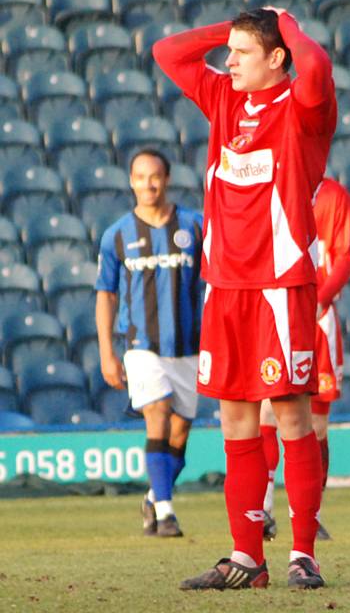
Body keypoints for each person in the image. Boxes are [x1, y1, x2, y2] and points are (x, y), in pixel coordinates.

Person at [153, 7, 336, 589]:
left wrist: (288, 26)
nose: (226, 61)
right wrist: (233, 33)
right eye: (227, 51)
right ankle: (246, 558)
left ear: (277, 58)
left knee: (289, 414)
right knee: (234, 420)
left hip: (281, 287)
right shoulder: (225, 98)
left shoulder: (304, 109)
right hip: (225, 288)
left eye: (241, 52)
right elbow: (167, 52)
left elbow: (318, 64)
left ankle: (301, 555)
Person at [95, 148, 204, 538]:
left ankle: (154, 496)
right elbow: (105, 294)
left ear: (167, 178)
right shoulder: (117, 235)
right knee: (156, 412)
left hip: (190, 347)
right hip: (141, 345)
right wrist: (108, 352)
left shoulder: (194, 226)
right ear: (130, 181)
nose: (148, 184)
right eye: (140, 177)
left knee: (179, 434)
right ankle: (166, 514)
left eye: (155, 176)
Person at [260, 176, 350, 542]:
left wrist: (319, 302)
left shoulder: (335, 196)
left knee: (315, 424)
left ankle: (309, 514)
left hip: (316, 319)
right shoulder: (271, 186)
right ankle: (264, 509)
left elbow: (345, 258)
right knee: (267, 411)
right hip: (277, 313)